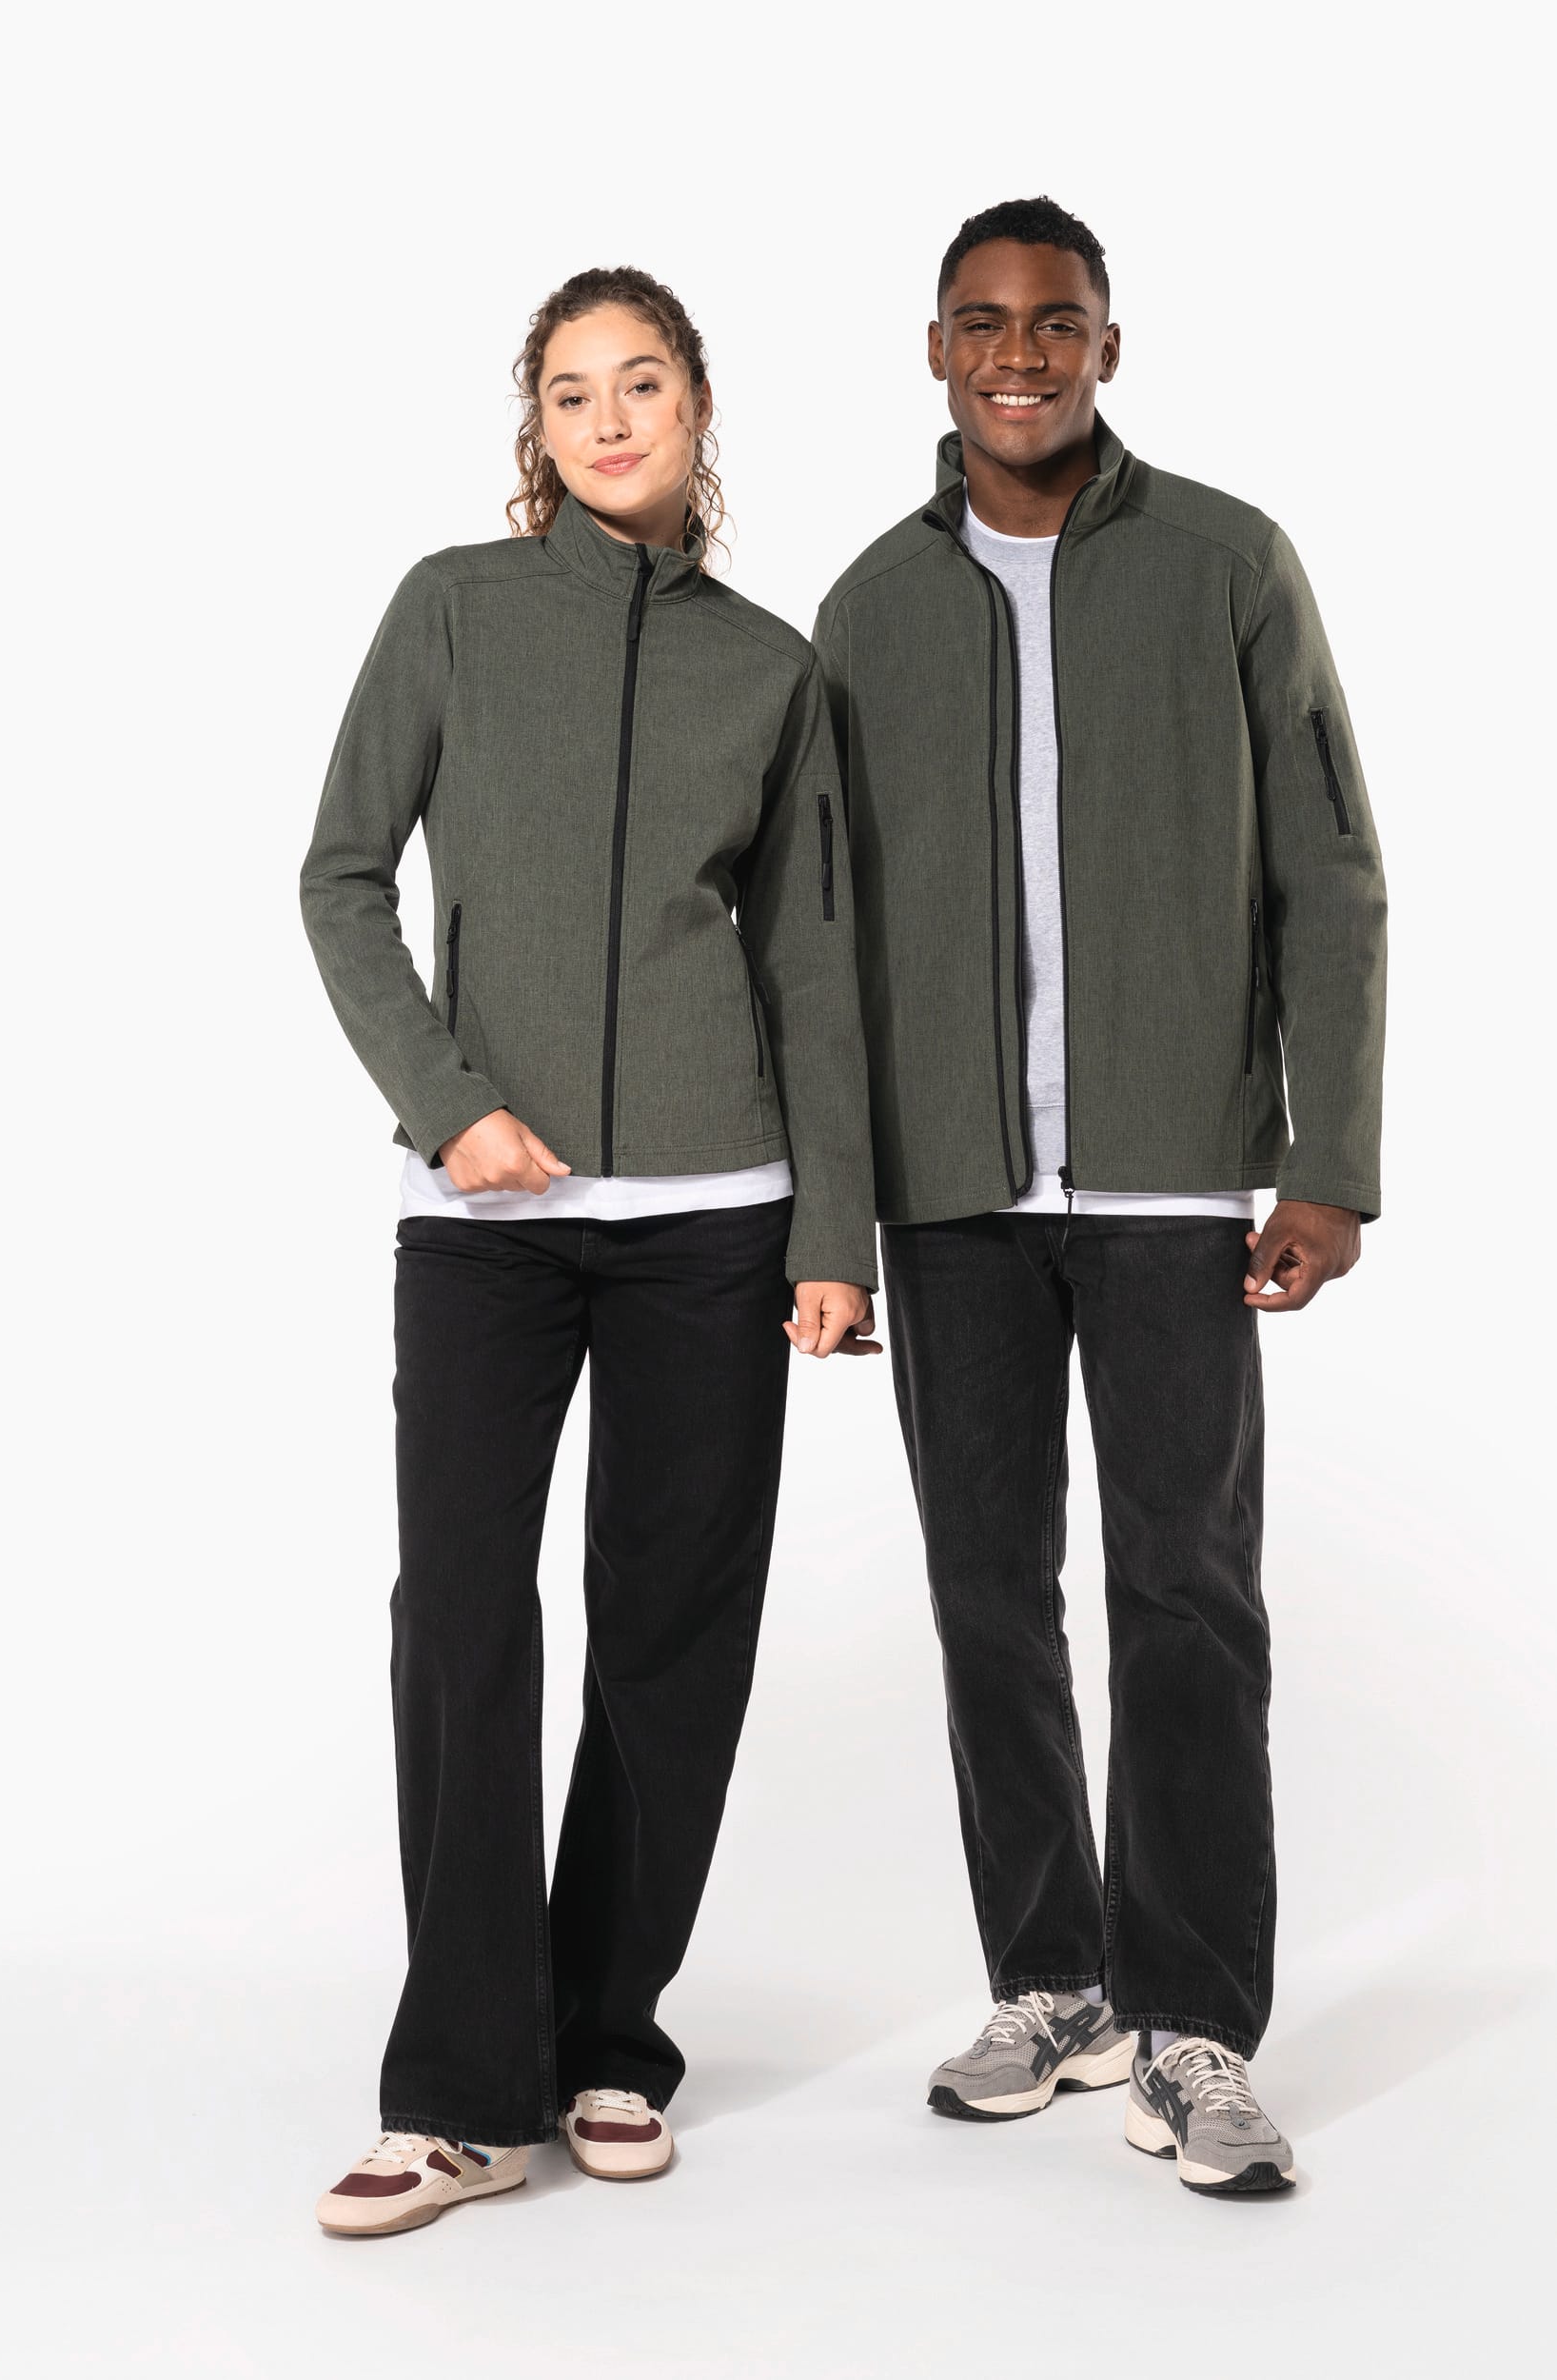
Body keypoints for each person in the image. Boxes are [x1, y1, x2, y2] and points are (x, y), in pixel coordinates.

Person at [815, 197, 1386, 2195]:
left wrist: (1327, 1160)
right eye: (981, 321)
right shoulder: (869, 607)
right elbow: (816, 934)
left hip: (1166, 1177)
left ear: (1107, 346)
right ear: (933, 349)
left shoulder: (1225, 560)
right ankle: (1050, 1977)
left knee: (1182, 1592)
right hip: (948, 1187)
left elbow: (1328, 871)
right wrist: (833, 1215)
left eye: (1053, 321)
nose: (1018, 353)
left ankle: (1194, 2019)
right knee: (986, 1591)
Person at [301, 266, 878, 2234]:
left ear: (695, 408)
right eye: (571, 390)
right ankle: (462, 2091)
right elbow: (342, 876)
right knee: (461, 1618)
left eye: (641, 383)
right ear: (533, 424)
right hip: (484, 1216)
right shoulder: (452, 609)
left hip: (713, 1217)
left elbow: (809, 960)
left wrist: (830, 1228)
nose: (609, 417)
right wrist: (446, 1098)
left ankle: (606, 2034)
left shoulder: (768, 666)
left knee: (671, 1631)